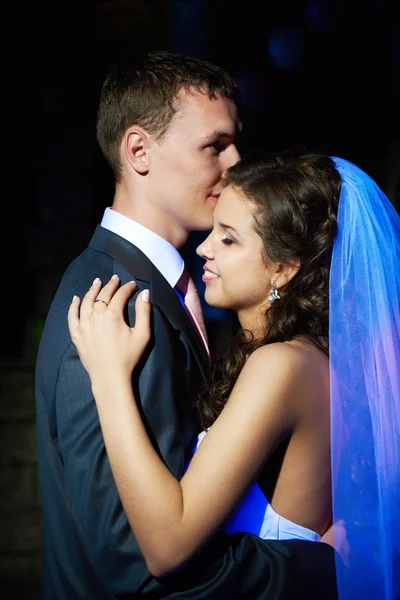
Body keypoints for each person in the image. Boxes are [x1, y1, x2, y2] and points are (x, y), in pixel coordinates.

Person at [35, 51, 337, 599]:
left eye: (236, 141)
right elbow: (134, 565)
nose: (237, 162)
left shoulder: (186, 290)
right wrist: (322, 567)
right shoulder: (112, 307)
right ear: (139, 150)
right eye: (214, 145)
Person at [68, 151, 400, 600]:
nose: (204, 247)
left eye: (229, 239)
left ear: (284, 268)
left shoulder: (281, 366)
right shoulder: (304, 360)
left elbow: (169, 545)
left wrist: (109, 379)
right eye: (213, 231)